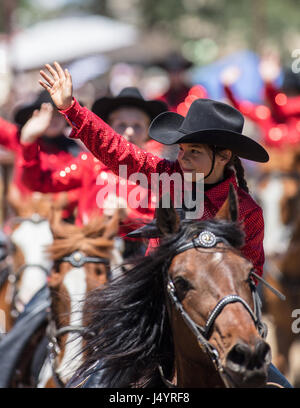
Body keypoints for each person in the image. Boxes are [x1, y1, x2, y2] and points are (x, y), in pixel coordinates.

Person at [37, 62, 292, 388]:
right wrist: (71, 108)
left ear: (225, 156)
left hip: (221, 322)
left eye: (194, 152)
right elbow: (118, 152)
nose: (182, 158)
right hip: (155, 318)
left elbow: (250, 275)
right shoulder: (168, 176)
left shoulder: (248, 211)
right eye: (182, 149)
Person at [20, 85, 168, 258]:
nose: (129, 131)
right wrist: (28, 141)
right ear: (109, 128)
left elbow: (165, 226)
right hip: (87, 259)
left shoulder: (158, 171)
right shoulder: (89, 164)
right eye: (121, 125)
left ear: (148, 131)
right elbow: (39, 182)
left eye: (137, 126)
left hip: (136, 261)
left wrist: (128, 215)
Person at [0, 91, 82, 221]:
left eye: (59, 113)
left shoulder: (75, 152)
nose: (54, 118)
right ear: (36, 115)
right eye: (49, 113)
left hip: (60, 225)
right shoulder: (21, 138)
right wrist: (29, 139)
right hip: (21, 222)